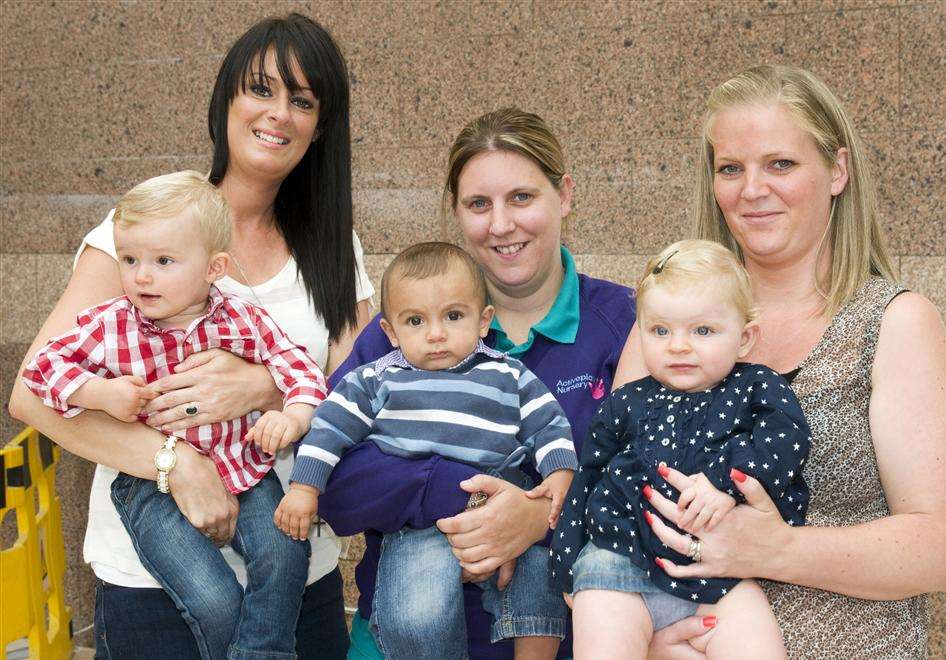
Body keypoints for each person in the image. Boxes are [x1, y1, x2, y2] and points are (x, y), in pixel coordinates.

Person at [8, 14, 373, 659]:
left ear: (321, 128)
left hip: (297, 577)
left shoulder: (334, 249)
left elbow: (366, 395)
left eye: (303, 100)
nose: (279, 113)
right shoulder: (143, 234)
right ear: (226, 99)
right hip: (151, 584)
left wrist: (264, 389)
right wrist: (174, 466)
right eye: (261, 88)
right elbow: (32, 396)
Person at [615, 65, 946, 658]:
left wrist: (772, 549)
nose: (752, 188)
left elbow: (939, 549)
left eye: (780, 164)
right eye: (731, 168)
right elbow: (619, 492)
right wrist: (648, 639)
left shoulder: (893, 325)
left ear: (836, 171)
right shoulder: (671, 326)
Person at [318, 108, 641, 659]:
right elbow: (337, 483)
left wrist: (541, 517)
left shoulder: (623, 323)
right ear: (457, 214)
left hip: (558, 640)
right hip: (403, 636)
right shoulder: (402, 331)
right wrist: (463, 496)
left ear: (563, 195)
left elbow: (648, 483)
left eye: (522, 197)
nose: (500, 224)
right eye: (478, 204)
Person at [22, 170, 327, 659]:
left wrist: (292, 412)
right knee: (213, 596)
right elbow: (40, 371)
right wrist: (99, 392)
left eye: (163, 261)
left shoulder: (242, 319)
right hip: (150, 488)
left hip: (245, 467)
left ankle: (263, 652)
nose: (141, 275)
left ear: (214, 267)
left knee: (284, 552)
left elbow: (303, 371)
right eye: (129, 259)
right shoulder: (111, 324)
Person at [279, 241, 575, 659]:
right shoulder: (377, 378)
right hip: (418, 523)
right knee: (419, 616)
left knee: (540, 578)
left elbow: (548, 421)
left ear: (483, 320)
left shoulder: (508, 373)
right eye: (415, 321)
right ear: (390, 332)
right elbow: (329, 429)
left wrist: (559, 473)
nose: (436, 334)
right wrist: (305, 488)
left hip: (506, 498)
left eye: (453, 316)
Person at [552, 240, 811, 659]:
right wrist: (566, 566)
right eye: (660, 330)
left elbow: (785, 440)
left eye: (703, 331)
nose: (678, 345)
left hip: (719, 574)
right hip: (618, 563)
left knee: (758, 645)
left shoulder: (758, 387)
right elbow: (588, 477)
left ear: (745, 338)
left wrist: (726, 484)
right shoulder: (625, 402)